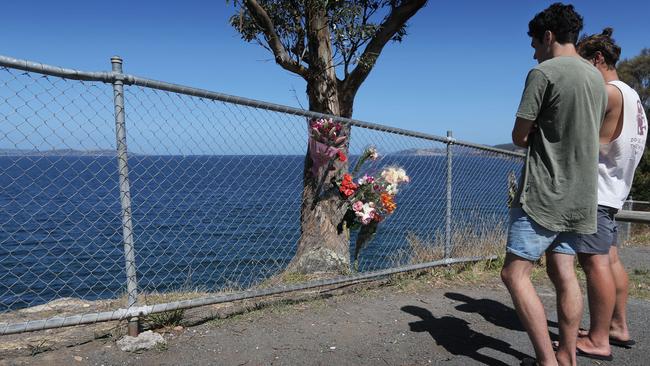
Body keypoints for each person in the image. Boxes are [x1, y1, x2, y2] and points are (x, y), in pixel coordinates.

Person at [500, 3, 607, 366]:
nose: (533, 51)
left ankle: (546, 360)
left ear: (548, 36)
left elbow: (518, 135)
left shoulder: (543, 73)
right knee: (564, 271)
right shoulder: (596, 77)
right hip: (581, 193)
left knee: (514, 274)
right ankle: (567, 356)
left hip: (544, 192)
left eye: (534, 42)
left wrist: (534, 135)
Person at [566, 28, 648, 360]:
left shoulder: (609, 93)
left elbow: (592, 145)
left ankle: (598, 339)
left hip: (597, 191)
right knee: (610, 260)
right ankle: (617, 327)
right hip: (616, 190)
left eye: (584, 64)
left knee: (594, 262)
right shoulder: (633, 96)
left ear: (598, 59)